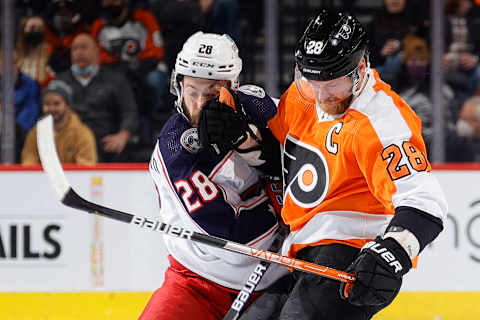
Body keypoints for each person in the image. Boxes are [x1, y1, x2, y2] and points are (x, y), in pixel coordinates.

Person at [198, 9, 448, 319]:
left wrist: (394, 253)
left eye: (332, 83)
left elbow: (425, 203)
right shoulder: (304, 93)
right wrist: (244, 140)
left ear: (360, 68)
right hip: (298, 249)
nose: (321, 95)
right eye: (312, 80)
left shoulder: (381, 122)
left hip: (351, 254)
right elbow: (291, 165)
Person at [140, 31, 288, 320]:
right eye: (190, 91)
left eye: (209, 94)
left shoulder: (258, 107)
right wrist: (283, 209)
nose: (197, 105)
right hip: (197, 282)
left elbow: (311, 157)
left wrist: (257, 146)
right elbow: (236, 247)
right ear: (177, 84)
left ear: (232, 87)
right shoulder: (175, 151)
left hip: (278, 279)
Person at [56, 33, 138, 162]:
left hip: (105, 145)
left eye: (84, 47)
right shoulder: (60, 82)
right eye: (75, 48)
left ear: (96, 51)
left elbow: (129, 112)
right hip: (69, 146)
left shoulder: (116, 80)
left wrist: (123, 135)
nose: (79, 52)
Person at [21, 80, 97, 165]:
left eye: (56, 104)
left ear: (68, 106)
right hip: (43, 178)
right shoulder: (35, 133)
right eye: (47, 104)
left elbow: (85, 168)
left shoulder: (83, 134)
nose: (51, 108)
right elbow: (28, 164)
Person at [16, 15, 55, 88]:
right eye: (32, 28)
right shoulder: (14, 57)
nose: (36, 31)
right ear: (23, 30)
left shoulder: (52, 56)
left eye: (40, 28)